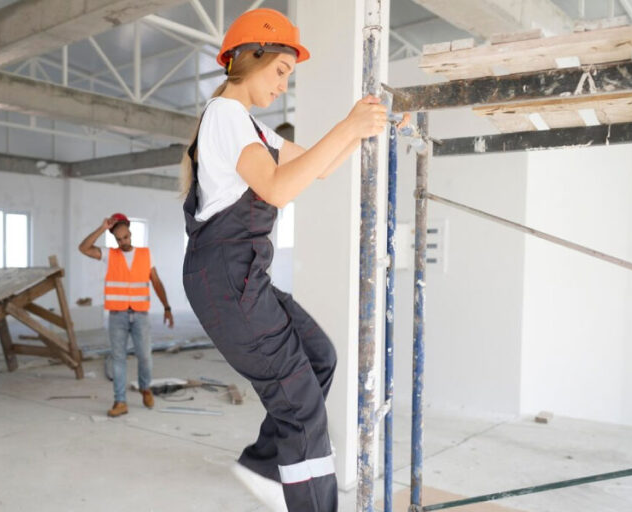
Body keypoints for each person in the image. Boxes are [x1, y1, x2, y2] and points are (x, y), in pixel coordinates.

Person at [180, 8, 403, 512]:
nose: (284, 84)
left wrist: (369, 128)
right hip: (226, 279)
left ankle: (263, 466)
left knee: (319, 356)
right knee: (301, 407)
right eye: (280, 70)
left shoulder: (254, 130)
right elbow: (279, 187)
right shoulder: (225, 116)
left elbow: (317, 168)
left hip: (240, 276)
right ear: (249, 58)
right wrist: (348, 125)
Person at [79, 213, 174, 418]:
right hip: (117, 316)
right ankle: (120, 401)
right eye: (119, 239)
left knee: (145, 357)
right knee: (118, 359)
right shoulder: (109, 254)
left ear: (131, 233)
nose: (123, 242)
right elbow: (83, 248)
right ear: (114, 239)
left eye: (126, 237)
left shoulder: (145, 254)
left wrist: (167, 307)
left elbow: (156, 282)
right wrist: (102, 228)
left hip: (140, 315)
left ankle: (145, 388)